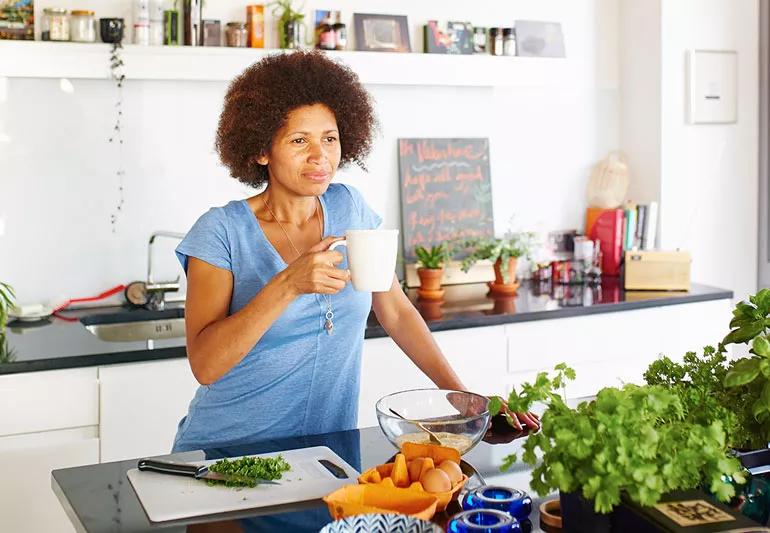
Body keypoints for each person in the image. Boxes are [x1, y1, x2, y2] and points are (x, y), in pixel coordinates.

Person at [172, 51, 538, 452]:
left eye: (329, 139)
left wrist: (467, 404)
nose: (320, 156)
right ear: (261, 150)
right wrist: (288, 284)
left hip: (327, 455)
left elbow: (395, 312)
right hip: (228, 455)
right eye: (299, 140)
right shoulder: (221, 231)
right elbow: (205, 365)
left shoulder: (350, 209)